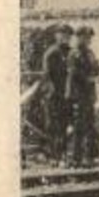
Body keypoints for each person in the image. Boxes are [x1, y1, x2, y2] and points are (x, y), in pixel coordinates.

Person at [66, 25, 99, 168]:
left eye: (89, 38)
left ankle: (90, 156)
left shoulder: (90, 53)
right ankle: (76, 158)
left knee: (90, 125)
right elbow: (74, 73)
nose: (88, 40)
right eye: (85, 37)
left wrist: (96, 70)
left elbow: (96, 67)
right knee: (79, 127)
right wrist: (89, 78)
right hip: (78, 94)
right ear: (79, 38)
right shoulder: (74, 53)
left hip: (88, 95)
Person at [39, 24, 74, 164]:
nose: (65, 38)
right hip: (54, 95)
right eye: (62, 34)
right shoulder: (51, 53)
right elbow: (47, 75)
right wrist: (52, 92)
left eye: (68, 35)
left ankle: (63, 154)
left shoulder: (71, 52)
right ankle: (53, 155)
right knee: (53, 125)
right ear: (56, 36)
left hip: (67, 94)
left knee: (64, 125)